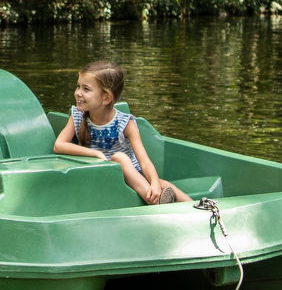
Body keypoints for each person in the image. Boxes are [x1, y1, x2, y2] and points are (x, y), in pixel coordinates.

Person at [53, 60, 188, 205]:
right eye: (78, 86)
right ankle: (158, 203)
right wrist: (96, 154)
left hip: (133, 175)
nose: (78, 93)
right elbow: (59, 145)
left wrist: (154, 182)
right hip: (103, 174)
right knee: (119, 158)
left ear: (106, 98)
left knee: (161, 183)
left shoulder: (125, 123)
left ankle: (201, 209)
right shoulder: (78, 116)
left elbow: (144, 161)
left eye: (86, 89)